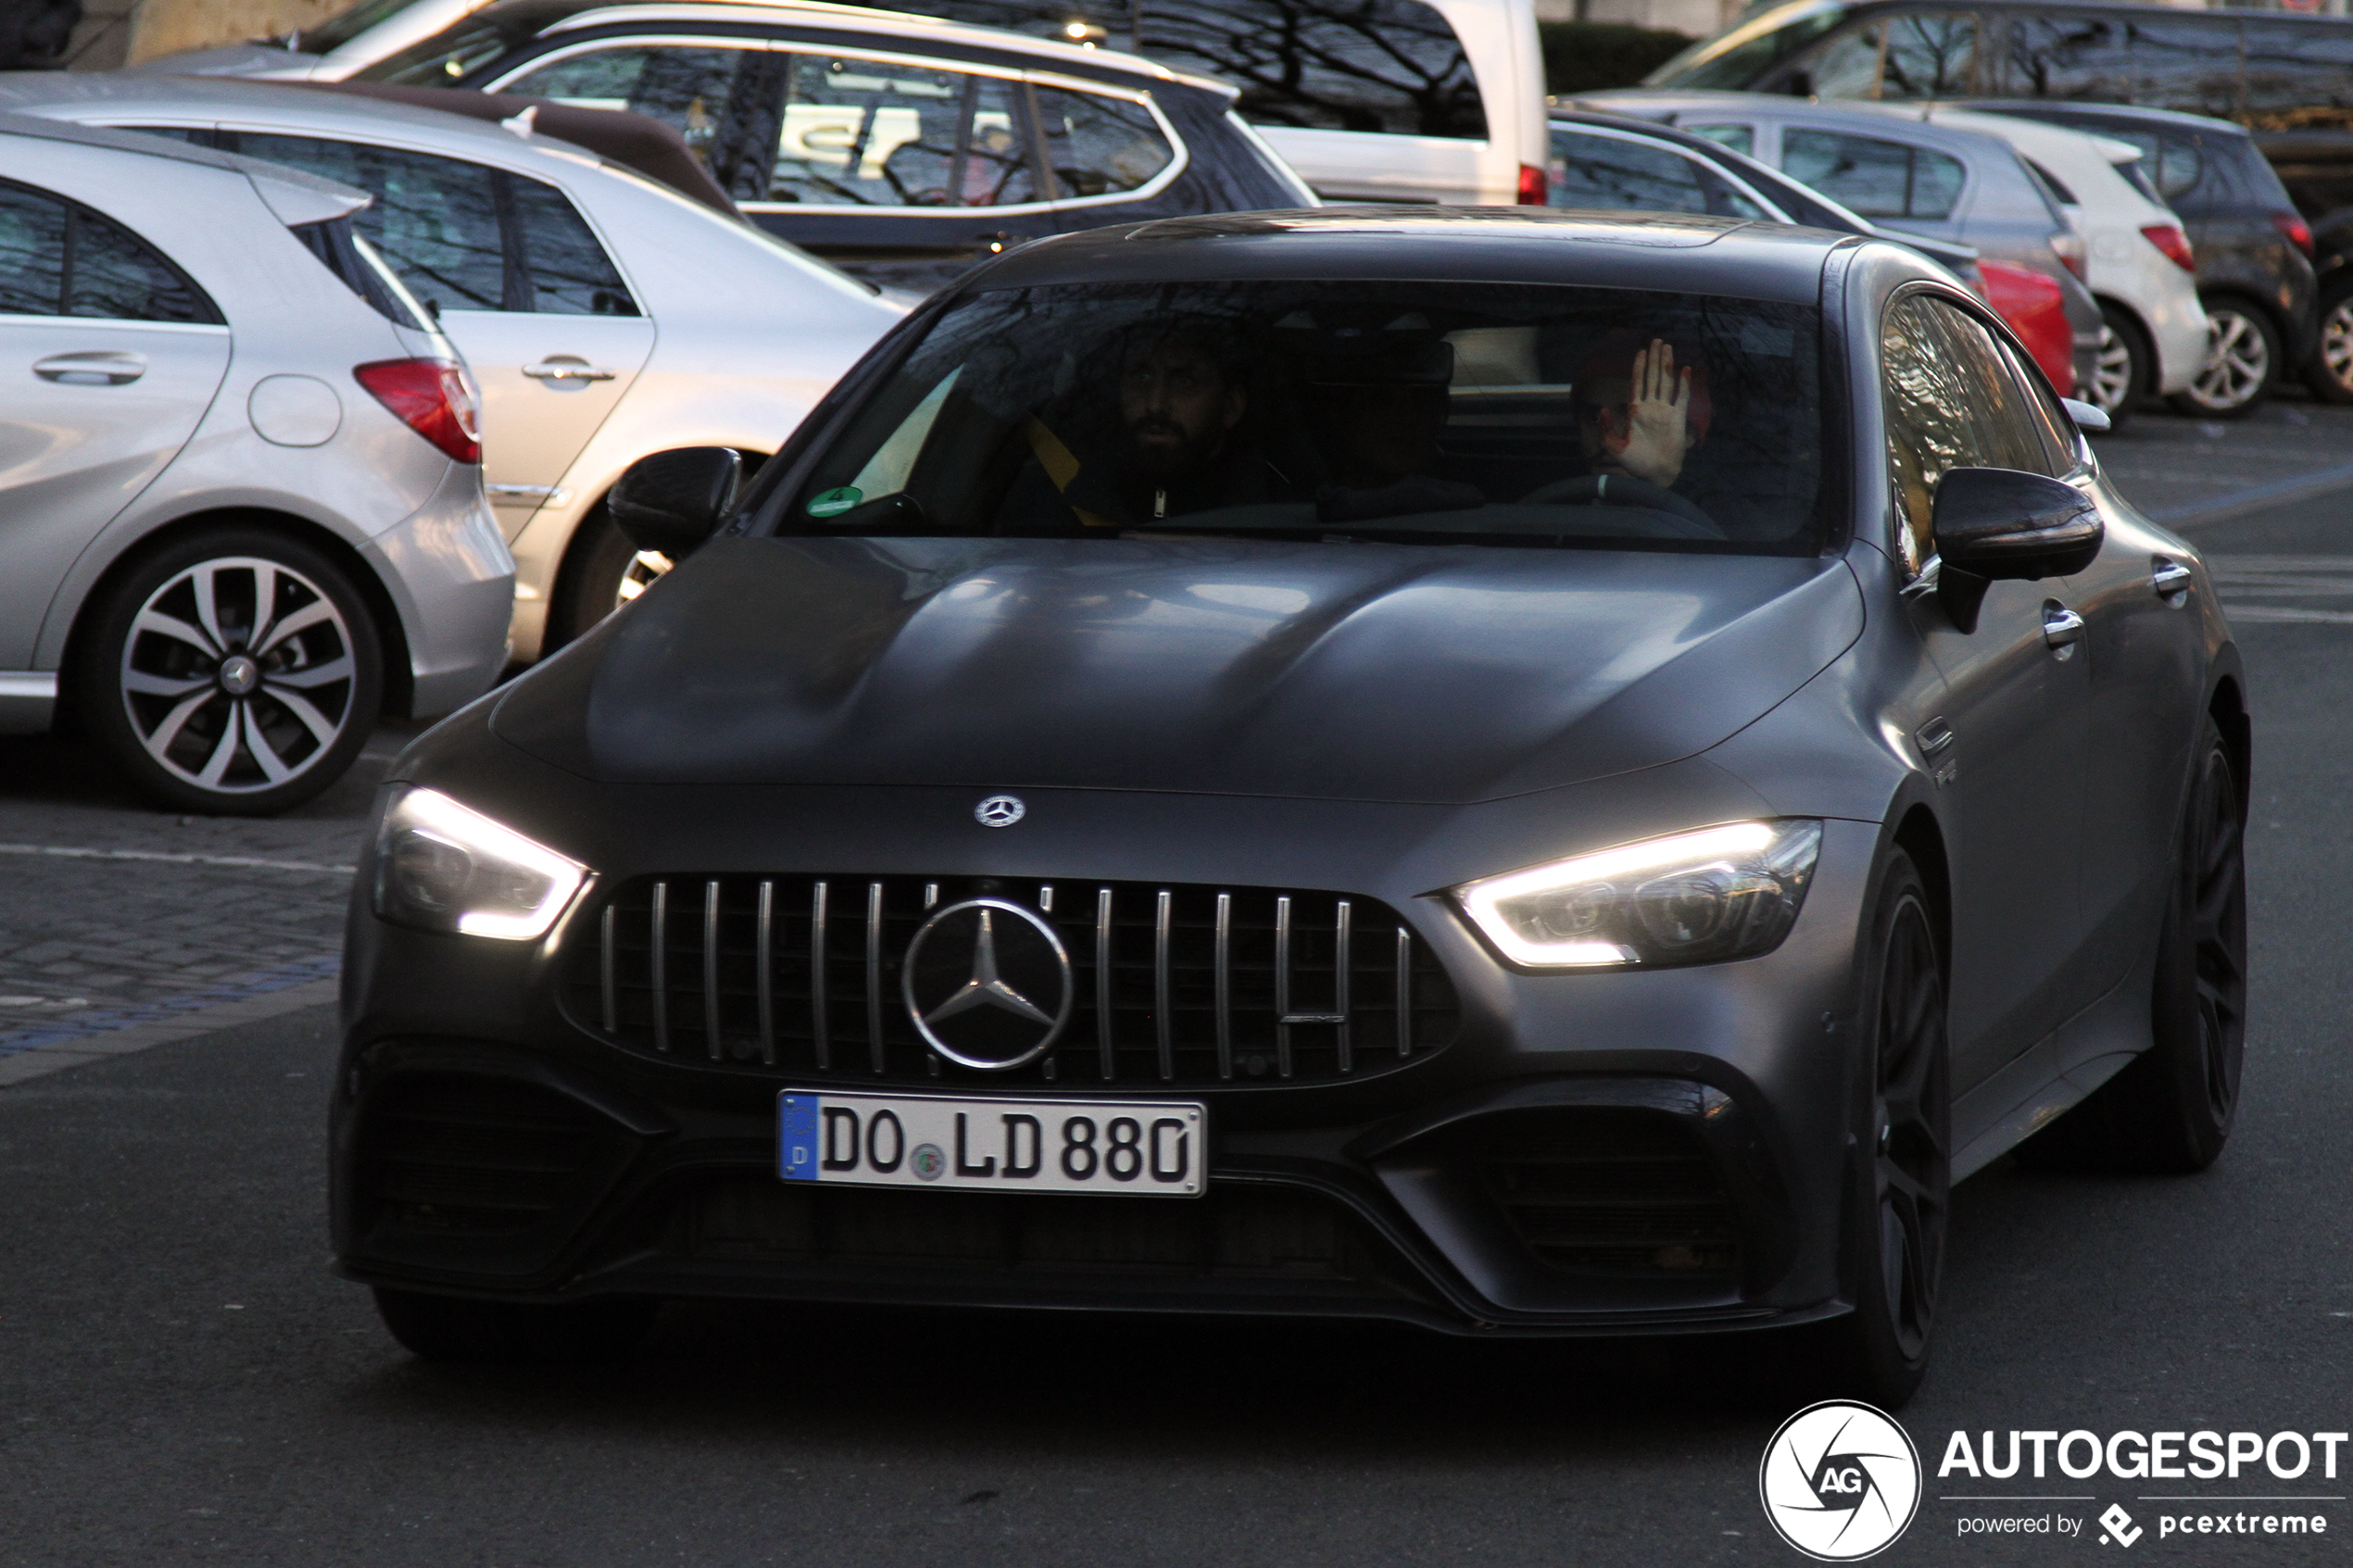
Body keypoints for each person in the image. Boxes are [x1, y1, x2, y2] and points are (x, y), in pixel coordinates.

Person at [1570, 332, 1712, 491]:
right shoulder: (1550, 506)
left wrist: (1661, 482)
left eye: (1630, 415)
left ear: (1689, 433)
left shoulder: (1720, 508)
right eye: (1593, 416)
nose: (1606, 442)